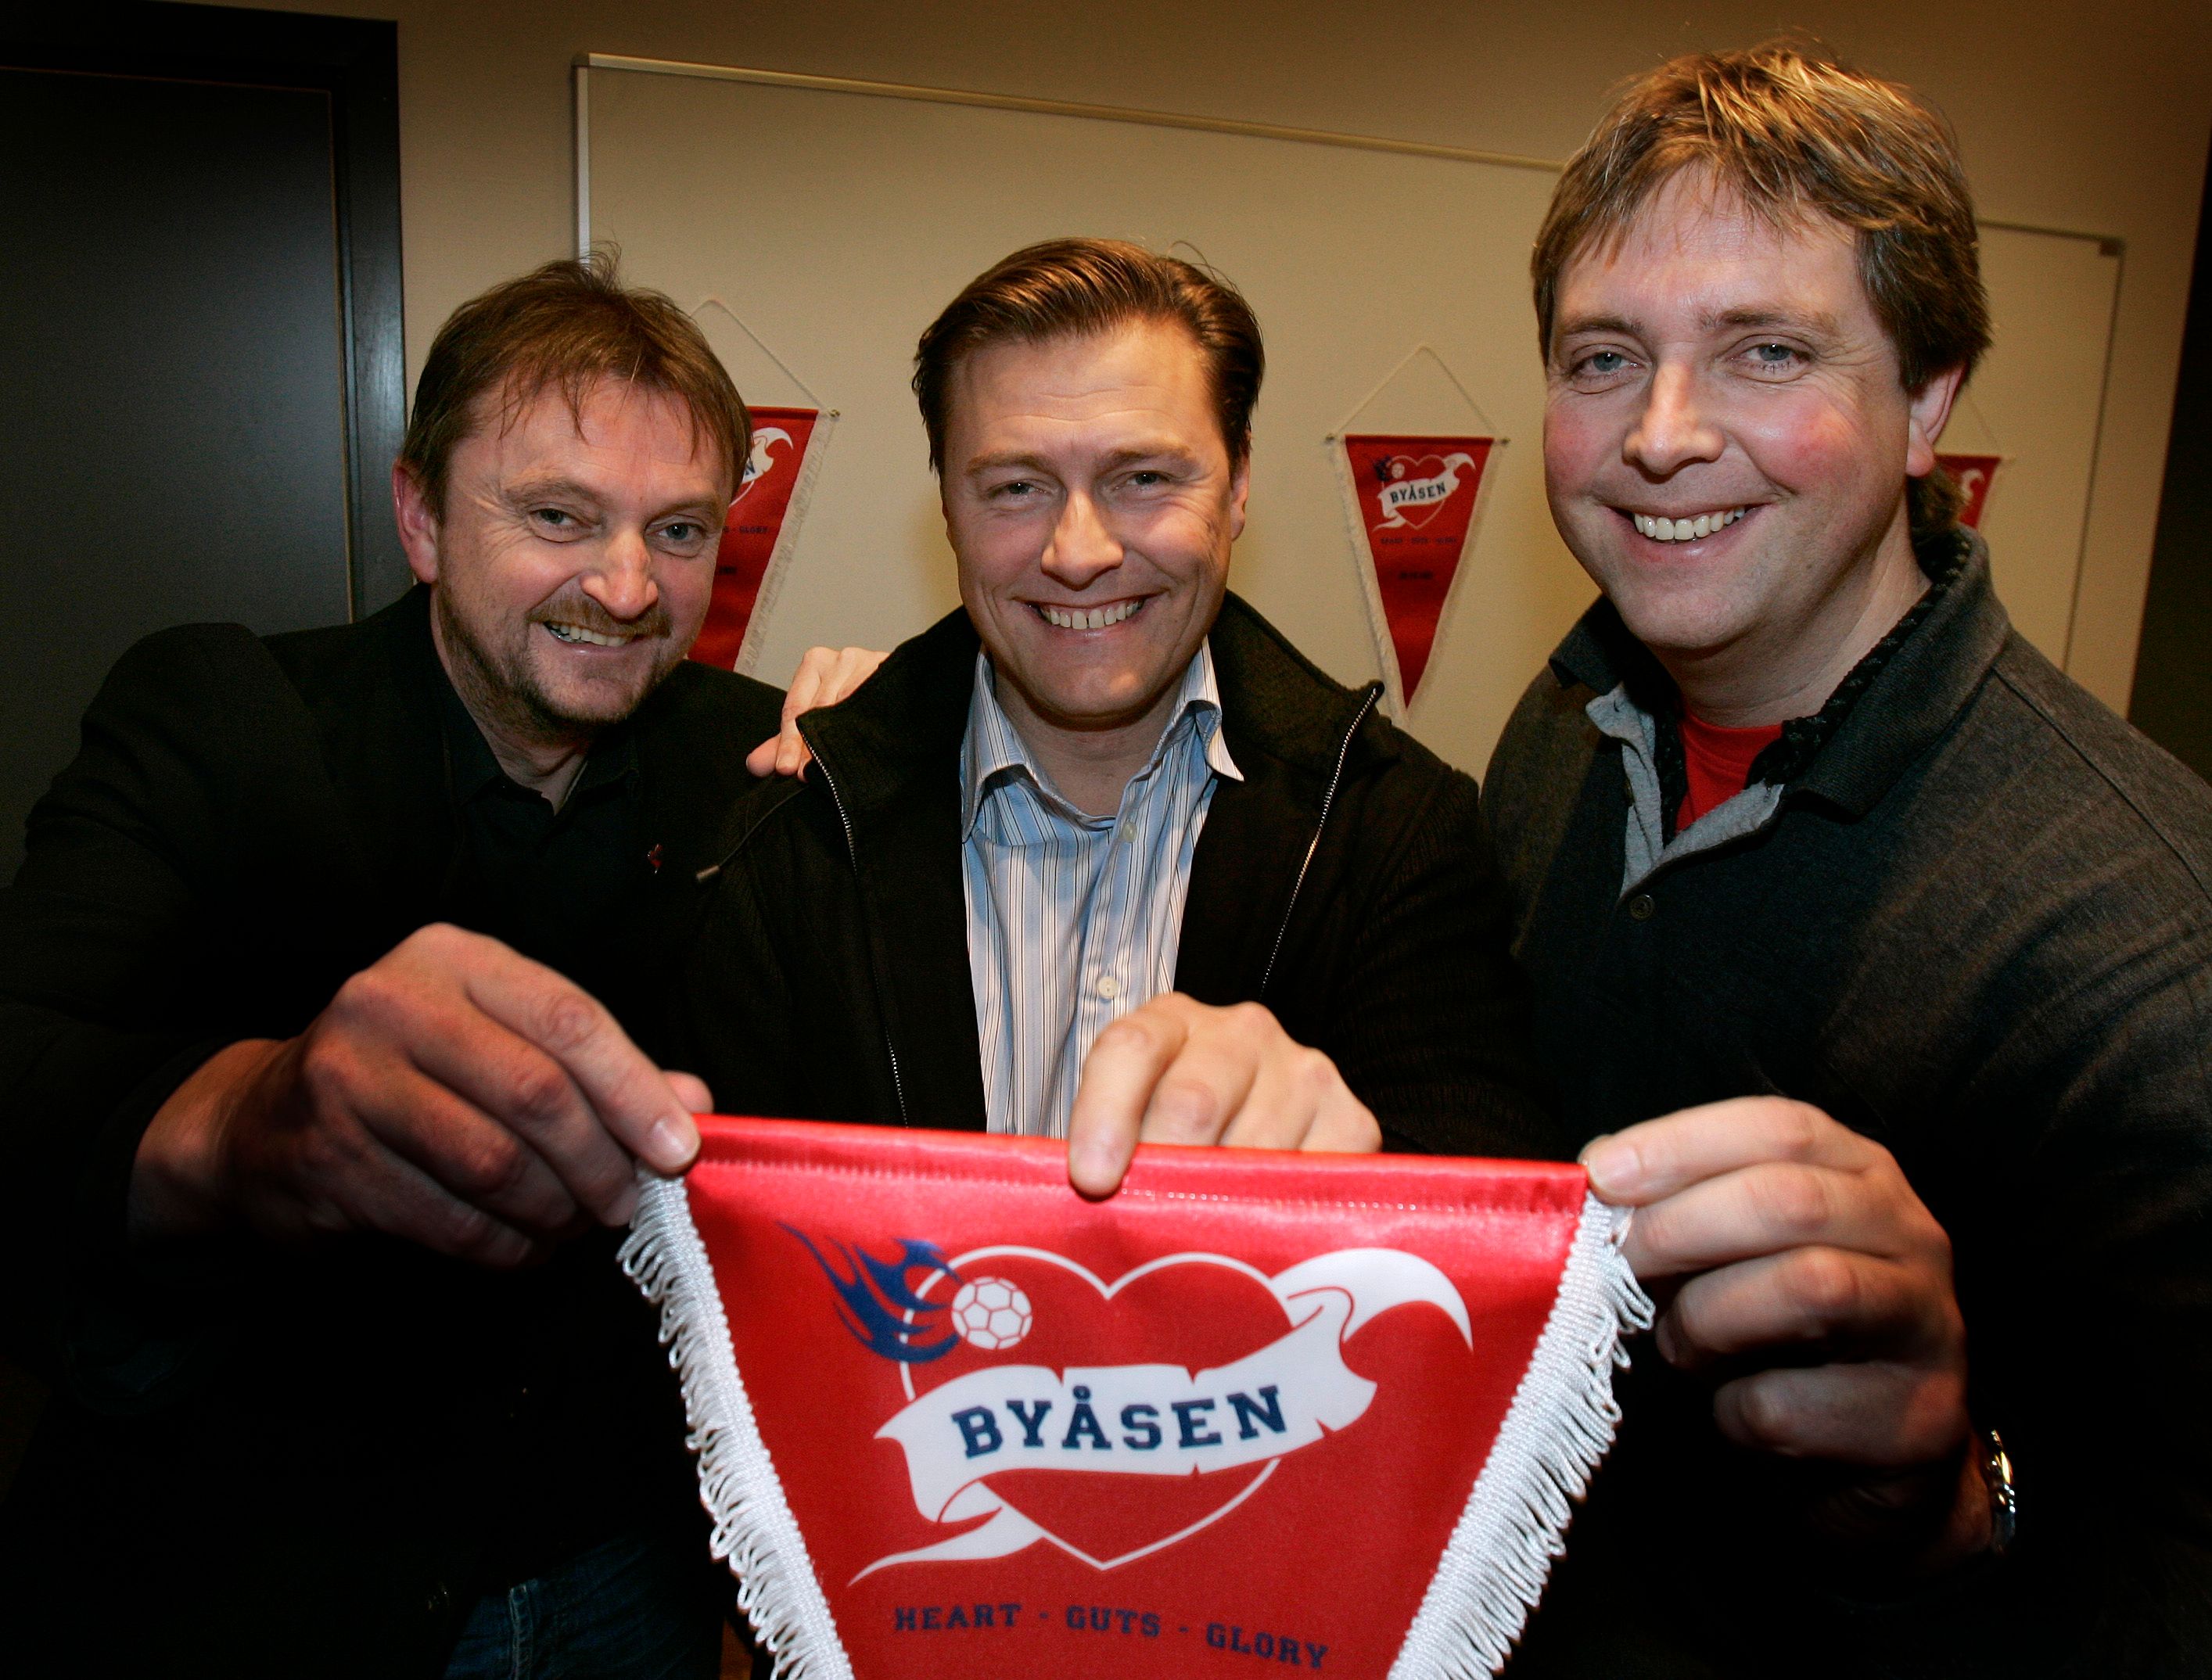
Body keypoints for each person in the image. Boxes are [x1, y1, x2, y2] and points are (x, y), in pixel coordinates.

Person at [0, 255, 849, 1676]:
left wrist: (916, 773)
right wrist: (249, 1118)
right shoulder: (227, 719)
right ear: (420, 518)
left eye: (680, 529)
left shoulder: (757, 761)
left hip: (625, 1564)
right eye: (558, 515)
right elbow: (20, 1056)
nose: (627, 585)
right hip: (254, 1568)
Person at [1474, 45, 2212, 1677]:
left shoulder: (2146, 946)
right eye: (1603, 358)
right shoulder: (1565, 724)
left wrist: (1948, 1508)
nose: (1660, 435)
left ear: (1926, 402)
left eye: (1766, 351)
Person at [680, 238, 1559, 1190]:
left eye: (1142, 478)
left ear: (1238, 485)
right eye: (1015, 488)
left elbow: (1481, 1224)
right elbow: (728, 1237)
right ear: (947, 509)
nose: (1078, 552)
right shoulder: (797, 832)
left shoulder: (1394, 831)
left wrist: (1341, 1181)